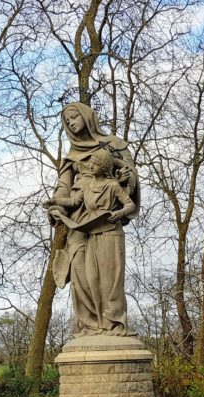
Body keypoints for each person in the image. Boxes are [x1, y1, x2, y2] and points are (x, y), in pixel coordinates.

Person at [44, 102, 140, 336]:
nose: (71, 123)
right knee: (79, 274)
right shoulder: (72, 155)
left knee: (109, 275)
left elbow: (131, 179)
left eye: (74, 117)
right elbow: (63, 185)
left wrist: (126, 176)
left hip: (105, 215)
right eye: (66, 121)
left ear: (87, 116)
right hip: (78, 219)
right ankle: (89, 326)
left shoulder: (113, 146)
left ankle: (112, 325)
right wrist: (56, 204)